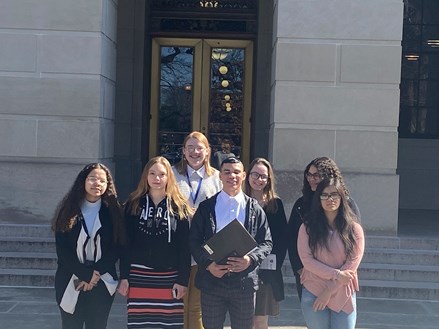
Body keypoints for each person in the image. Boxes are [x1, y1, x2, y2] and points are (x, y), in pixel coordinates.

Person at [189, 156, 273, 329]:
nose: (232, 176)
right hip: (212, 281)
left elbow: (266, 242)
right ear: (220, 176)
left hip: (244, 283)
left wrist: (250, 260)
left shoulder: (254, 208)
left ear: (243, 176)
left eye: (236, 172)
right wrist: (208, 264)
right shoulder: (206, 207)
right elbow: (193, 241)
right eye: (227, 172)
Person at [118, 156, 193, 329]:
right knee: (140, 325)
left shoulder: (178, 206)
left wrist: (182, 280)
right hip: (139, 277)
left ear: (169, 177)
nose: (157, 178)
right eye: (152, 173)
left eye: (161, 174)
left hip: (169, 278)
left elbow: (185, 248)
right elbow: (125, 244)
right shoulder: (133, 204)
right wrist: (124, 277)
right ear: (146, 176)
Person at [52, 163, 125, 329]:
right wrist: (84, 274)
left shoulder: (113, 211)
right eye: (92, 179)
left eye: (102, 180)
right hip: (71, 278)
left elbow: (117, 246)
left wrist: (94, 274)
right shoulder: (68, 210)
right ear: (83, 181)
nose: (97, 184)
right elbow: (62, 250)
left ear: (107, 185)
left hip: (102, 279)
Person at [286, 157, 360, 300]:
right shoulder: (301, 204)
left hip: (340, 276)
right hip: (310, 275)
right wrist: (299, 268)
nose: (311, 179)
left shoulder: (347, 205)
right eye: (309, 174)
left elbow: (355, 242)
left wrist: (340, 275)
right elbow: (291, 238)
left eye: (316, 175)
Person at [297, 177, 365, 329]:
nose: (330, 199)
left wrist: (328, 291)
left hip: (343, 293)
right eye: (325, 195)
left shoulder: (354, 229)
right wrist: (336, 275)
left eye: (334, 194)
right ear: (318, 198)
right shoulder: (307, 228)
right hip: (314, 291)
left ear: (342, 197)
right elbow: (307, 260)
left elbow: (351, 265)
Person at [173, 131, 222, 329]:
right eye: (190, 148)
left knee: (197, 306)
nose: (195, 152)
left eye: (199, 148)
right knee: (178, 303)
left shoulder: (217, 177)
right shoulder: (172, 174)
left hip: (204, 249)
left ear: (208, 151)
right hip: (178, 247)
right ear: (184, 151)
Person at [244, 158, 288, 329]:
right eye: (255, 174)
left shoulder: (275, 204)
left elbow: (282, 239)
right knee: (243, 319)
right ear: (247, 176)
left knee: (260, 320)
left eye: (263, 176)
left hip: (266, 271)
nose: (259, 179)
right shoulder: (239, 201)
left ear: (269, 180)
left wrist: (271, 264)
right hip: (242, 269)